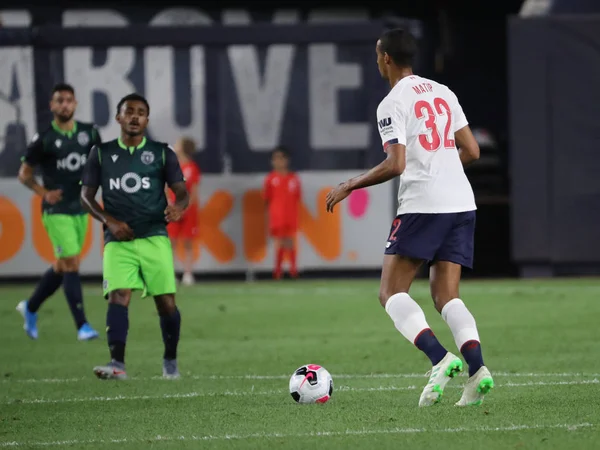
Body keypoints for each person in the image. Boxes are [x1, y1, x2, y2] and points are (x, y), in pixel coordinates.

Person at [325, 28, 493, 407]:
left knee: (390, 292)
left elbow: (396, 163)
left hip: (424, 205)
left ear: (385, 58)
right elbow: (472, 150)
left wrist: (352, 183)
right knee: (446, 296)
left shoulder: (392, 102)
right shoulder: (443, 91)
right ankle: (478, 368)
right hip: (461, 203)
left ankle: (440, 359)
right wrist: (442, 167)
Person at [80, 93, 189, 380]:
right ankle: (117, 364)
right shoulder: (100, 153)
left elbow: (181, 192)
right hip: (119, 241)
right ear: (118, 118)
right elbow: (86, 197)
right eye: (129, 111)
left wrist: (178, 207)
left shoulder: (162, 152)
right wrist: (109, 221)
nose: (134, 116)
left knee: (166, 302)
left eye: (140, 112)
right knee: (118, 295)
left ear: (147, 120)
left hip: (154, 236)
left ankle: (170, 361)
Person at [16, 83, 100, 341]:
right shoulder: (43, 139)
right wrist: (44, 193)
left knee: (63, 265)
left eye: (68, 100)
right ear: (52, 106)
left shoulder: (89, 133)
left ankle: (30, 308)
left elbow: (101, 164)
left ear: (75, 104)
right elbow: (24, 174)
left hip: (80, 208)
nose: (64, 104)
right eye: (59, 100)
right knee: (72, 261)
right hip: (56, 210)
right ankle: (82, 326)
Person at [167, 137, 201, 286]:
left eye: (178, 143)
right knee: (171, 242)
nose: (175, 145)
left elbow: (194, 192)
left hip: (188, 210)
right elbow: (167, 188)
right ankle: (170, 273)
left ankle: (188, 273)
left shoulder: (192, 168)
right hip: (173, 209)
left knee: (188, 242)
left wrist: (185, 208)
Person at [263, 146, 301, 279]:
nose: (278, 162)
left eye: (281, 158)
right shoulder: (270, 179)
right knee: (279, 241)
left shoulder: (293, 178)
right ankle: (278, 271)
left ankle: (293, 270)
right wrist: (269, 217)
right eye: (275, 159)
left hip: (290, 214)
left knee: (290, 241)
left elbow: (297, 197)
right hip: (277, 215)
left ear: (287, 160)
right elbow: (267, 199)